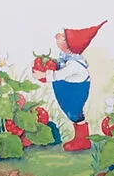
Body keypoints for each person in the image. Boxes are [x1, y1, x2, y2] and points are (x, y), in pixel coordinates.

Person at [46, 21, 107, 152]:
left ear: (70, 47)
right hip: (70, 89)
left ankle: (83, 141)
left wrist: (45, 75)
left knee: (75, 113)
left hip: (75, 92)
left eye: (63, 37)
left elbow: (61, 74)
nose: (58, 36)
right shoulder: (67, 58)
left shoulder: (74, 64)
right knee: (74, 114)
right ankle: (80, 139)